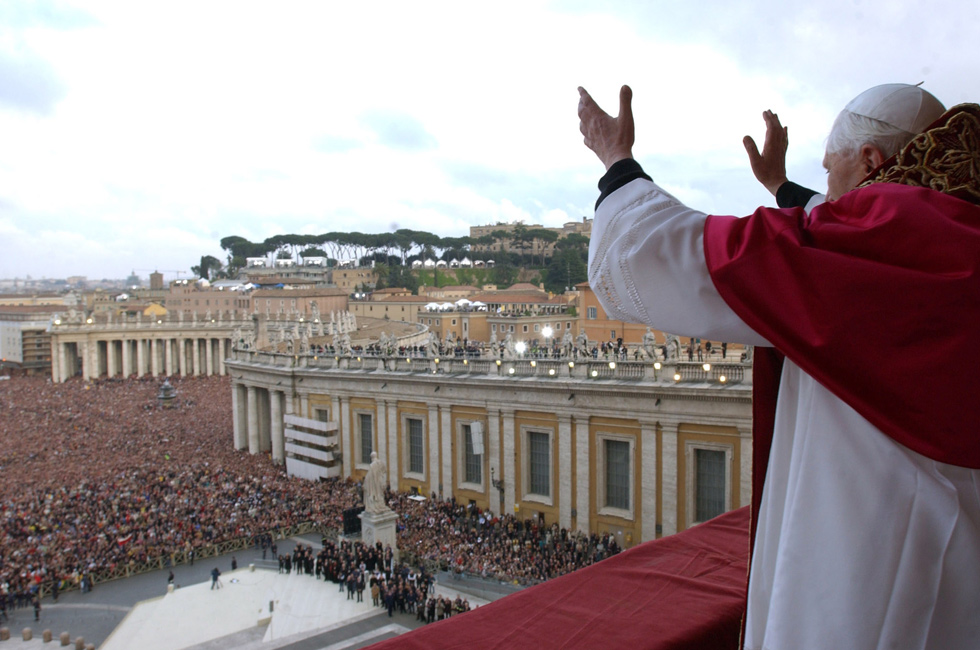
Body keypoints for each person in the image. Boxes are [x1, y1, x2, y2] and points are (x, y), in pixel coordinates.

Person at [578, 82, 980, 650]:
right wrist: (778, 185)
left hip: (870, 563)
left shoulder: (862, 246)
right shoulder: (957, 229)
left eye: (831, 167)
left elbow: (660, 253)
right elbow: (830, 219)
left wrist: (616, 162)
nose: (828, 189)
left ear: (871, 162)